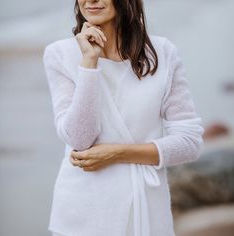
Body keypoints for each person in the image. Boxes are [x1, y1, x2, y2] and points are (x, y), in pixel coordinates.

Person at [43, 0, 204, 236]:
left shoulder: (162, 52)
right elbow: (79, 139)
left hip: (147, 209)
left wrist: (117, 153)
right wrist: (89, 63)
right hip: (84, 212)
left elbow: (189, 143)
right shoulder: (60, 54)